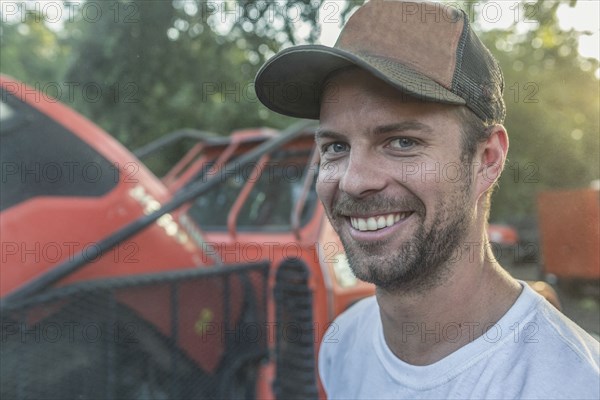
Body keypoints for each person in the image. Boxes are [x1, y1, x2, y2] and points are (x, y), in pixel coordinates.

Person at [254, 0, 600, 398]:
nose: (353, 182)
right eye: (335, 147)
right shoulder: (343, 345)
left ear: (487, 160)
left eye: (402, 142)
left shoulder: (573, 384)